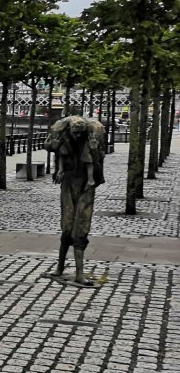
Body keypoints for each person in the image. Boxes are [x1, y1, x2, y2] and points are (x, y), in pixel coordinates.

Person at [44, 115, 105, 285]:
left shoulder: (92, 139)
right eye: (75, 133)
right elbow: (52, 148)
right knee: (67, 224)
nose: (77, 136)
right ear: (70, 130)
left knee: (82, 224)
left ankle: (79, 273)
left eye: (80, 133)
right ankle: (60, 268)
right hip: (69, 182)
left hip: (86, 185)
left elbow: (97, 161)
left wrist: (93, 150)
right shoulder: (63, 138)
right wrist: (58, 162)